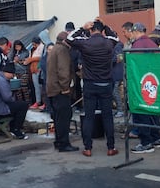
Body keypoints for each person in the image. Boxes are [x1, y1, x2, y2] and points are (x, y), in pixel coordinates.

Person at [67, 19, 120, 157]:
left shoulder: (85, 43)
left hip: (90, 84)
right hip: (106, 84)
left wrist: (82, 27)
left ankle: (88, 148)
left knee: (89, 117)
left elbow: (69, 38)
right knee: (107, 117)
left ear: (90, 30)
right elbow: (116, 37)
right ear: (102, 31)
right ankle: (111, 147)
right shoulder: (109, 42)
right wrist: (105, 25)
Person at [129, 23, 160, 153]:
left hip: (141, 82)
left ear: (135, 31)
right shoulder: (152, 43)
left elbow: (134, 65)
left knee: (141, 111)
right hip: (154, 81)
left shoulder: (137, 45)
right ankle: (155, 138)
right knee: (153, 111)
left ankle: (146, 142)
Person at [47, 32, 78, 152]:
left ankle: (59, 142)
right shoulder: (62, 50)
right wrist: (66, 88)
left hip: (52, 89)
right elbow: (63, 70)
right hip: (60, 90)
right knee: (64, 117)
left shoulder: (54, 49)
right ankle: (64, 144)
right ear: (65, 41)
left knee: (58, 118)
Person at [0, 63, 29, 140]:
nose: (12, 76)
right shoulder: (1, 81)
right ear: (7, 72)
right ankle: (16, 129)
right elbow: (7, 98)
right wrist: (13, 93)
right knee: (23, 105)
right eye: (12, 74)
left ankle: (12, 128)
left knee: (17, 106)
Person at [111, 22, 133, 119]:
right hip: (122, 72)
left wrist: (109, 60)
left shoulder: (119, 46)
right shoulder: (125, 44)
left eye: (124, 32)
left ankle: (121, 110)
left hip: (119, 73)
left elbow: (120, 58)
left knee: (115, 91)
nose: (123, 34)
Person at [26, 37, 45, 110]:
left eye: (34, 44)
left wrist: (31, 59)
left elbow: (41, 57)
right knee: (36, 87)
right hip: (33, 70)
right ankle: (38, 101)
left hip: (39, 70)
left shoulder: (42, 48)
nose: (33, 45)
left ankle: (44, 103)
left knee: (41, 87)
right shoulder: (32, 49)